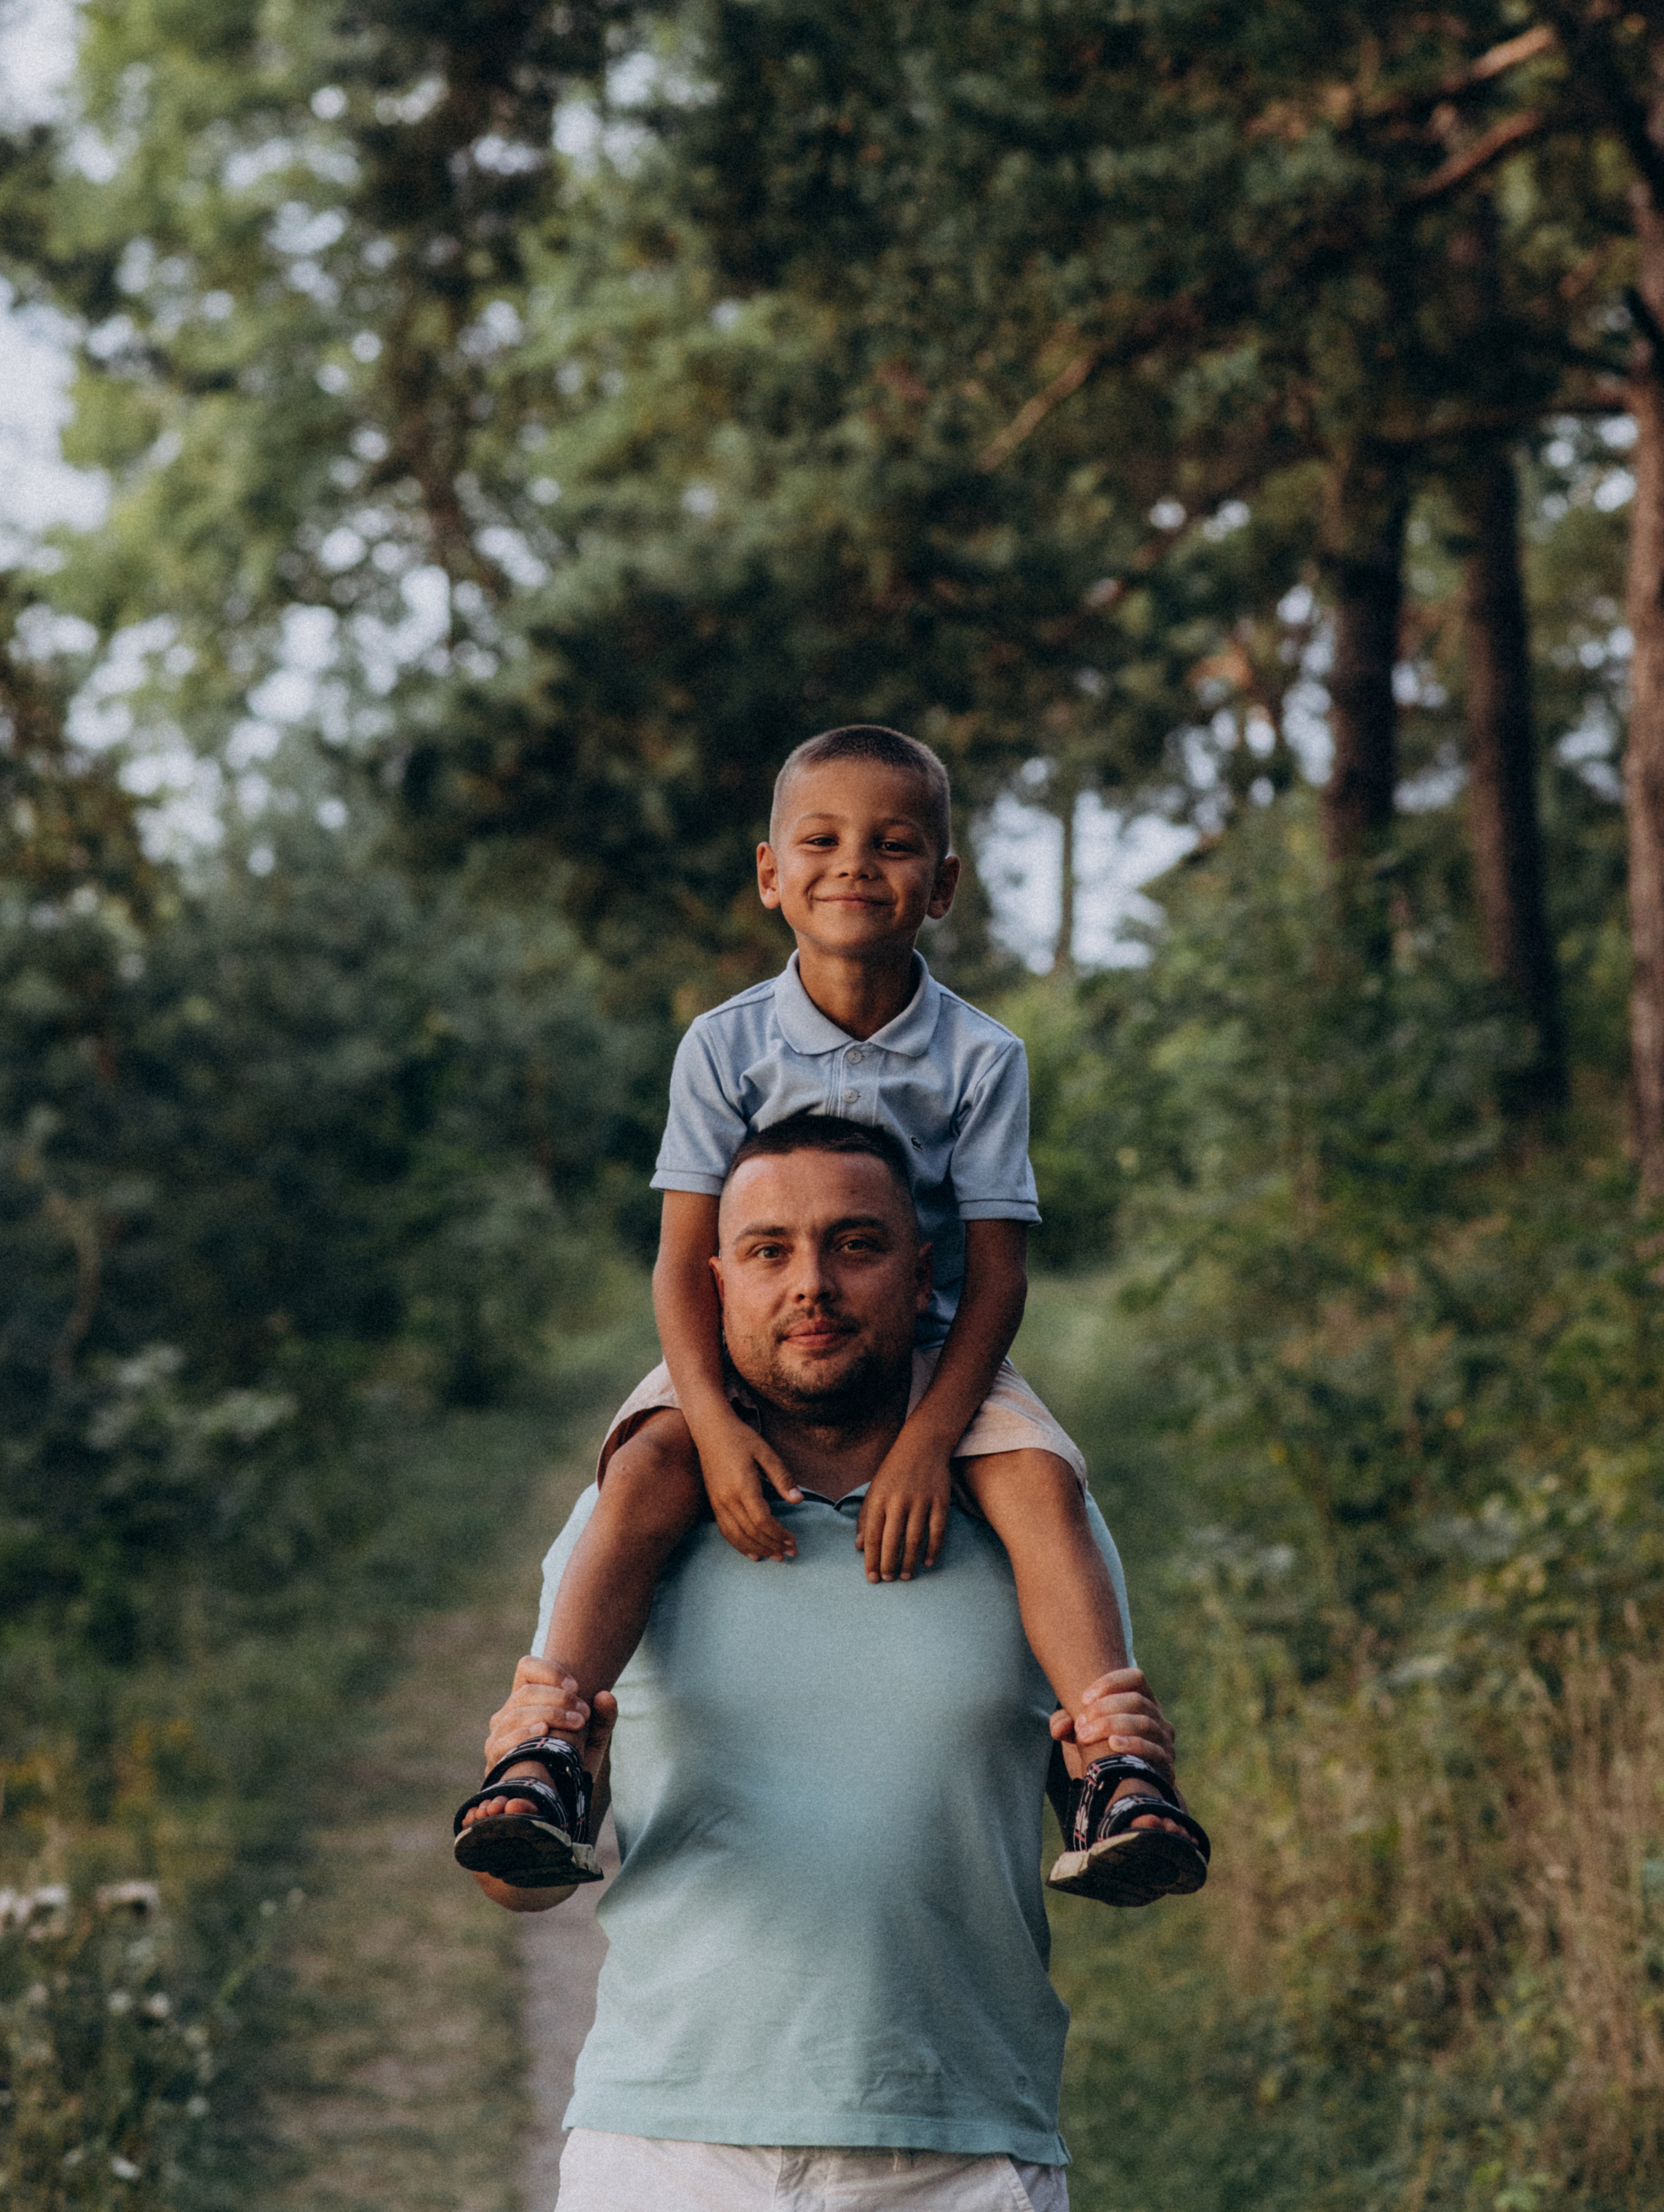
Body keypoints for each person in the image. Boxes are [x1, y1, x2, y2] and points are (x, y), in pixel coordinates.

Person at [455, 727, 1203, 1908]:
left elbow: (1000, 1276)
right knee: (644, 1465)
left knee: (1037, 1483)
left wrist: (924, 1441)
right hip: (741, 1352)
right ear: (770, 875)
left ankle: (1116, 1769)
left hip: (933, 1340)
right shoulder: (724, 1044)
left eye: (894, 844)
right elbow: (681, 1264)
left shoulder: (981, 1055)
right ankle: (541, 1752)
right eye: (822, 840)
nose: (855, 865)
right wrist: (708, 1422)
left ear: (943, 884)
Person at [461, 1121, 1207, 2211]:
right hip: (665, 2148)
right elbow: (509, 1889)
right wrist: (534, 1771)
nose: (810, 1285)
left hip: (960, 2154)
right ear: (714, 1285)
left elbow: (1125, 1851)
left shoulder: (1039, 1529)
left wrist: (1127, 1758)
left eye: (855, 1245)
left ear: (920, 1279)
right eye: (769, 1251)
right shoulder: (626, 1528)